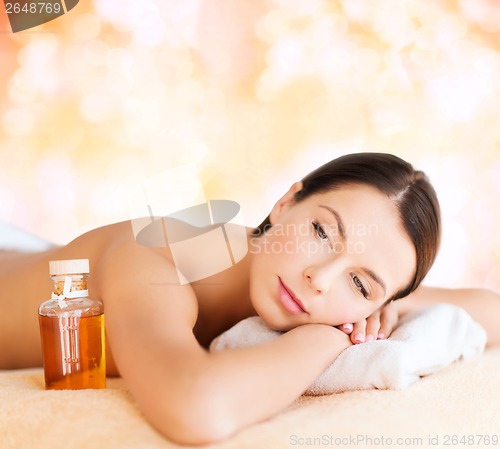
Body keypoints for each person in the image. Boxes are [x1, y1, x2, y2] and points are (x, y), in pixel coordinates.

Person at [0, 152, 498, 445]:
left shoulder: (334, 289)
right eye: (323, 232)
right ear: (284, 204)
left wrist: (381, 304)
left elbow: (490, 309)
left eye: (361, 283)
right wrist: (324, 339)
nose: (320, 278)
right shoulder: (157, 257)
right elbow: (196, 407)